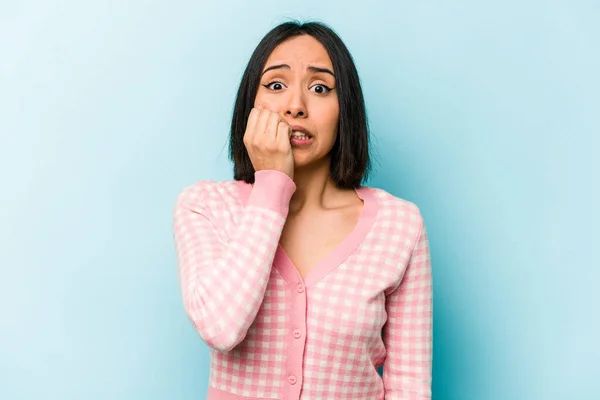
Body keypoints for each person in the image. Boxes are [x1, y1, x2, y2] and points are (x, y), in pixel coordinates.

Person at [173, 20, 433, 400]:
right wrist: (272, 184)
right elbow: (221, 328)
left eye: (320, 88)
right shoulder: (206, 207)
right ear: (251, 105)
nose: (295, 106)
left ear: (345, 109)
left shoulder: (400, 225)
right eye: (276, 85)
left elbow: (408, 386)